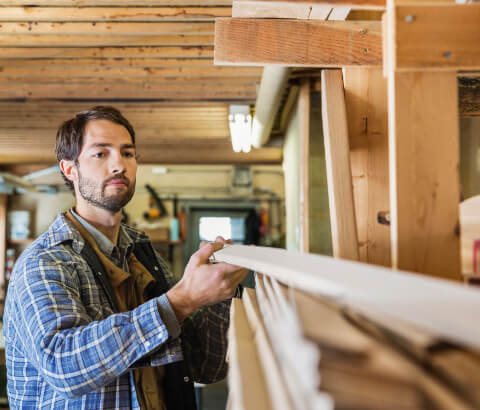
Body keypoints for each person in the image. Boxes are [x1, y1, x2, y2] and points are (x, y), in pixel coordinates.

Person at [3, 106, 248, 409]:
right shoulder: (44, 262)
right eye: (100, 154)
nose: (119, 164)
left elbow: (204, 367)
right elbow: (63, 367)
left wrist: (218, 293)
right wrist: (181, 301)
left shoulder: (143, 256)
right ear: (70, 169)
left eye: (128, 153)